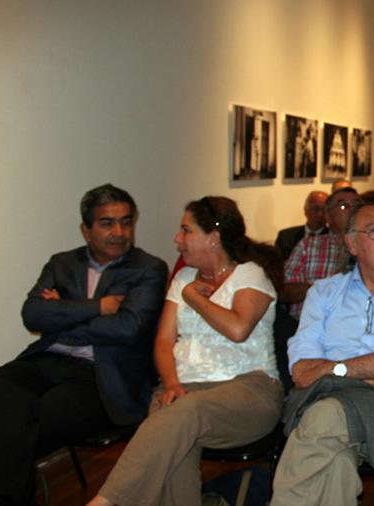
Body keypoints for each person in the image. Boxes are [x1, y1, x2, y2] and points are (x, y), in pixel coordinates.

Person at [88, 196, 284, 506]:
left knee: (184, 413)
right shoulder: (182, 279)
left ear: (213, 237)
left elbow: (238, 329)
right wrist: (172, 384)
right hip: (186, 391)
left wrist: (194, 298)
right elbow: (164, 342)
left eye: (185, 230)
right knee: (175, 426)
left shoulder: (250, 274)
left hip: (250, 389)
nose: (177, 239)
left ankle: (105, 502)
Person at [0, 185, 167, 506]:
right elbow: (33, 315)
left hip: (102, 376)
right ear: (86, 230)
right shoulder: (61, 264)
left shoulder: (148, 268)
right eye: (107, 223)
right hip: (46, 360)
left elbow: (127, 329)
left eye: (126, 222)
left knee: (33, 420)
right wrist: (98, 307)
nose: (120, 232)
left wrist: (63, 313)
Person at [271, 202, 374, 506]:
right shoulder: (323, 292)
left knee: (320, 420)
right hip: (327, 398)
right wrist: (371, 378)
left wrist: (335, 371)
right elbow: (301, 371)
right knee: (334, 462)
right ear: (350, 243)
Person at [282, 188, 360, 319]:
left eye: (357, 205)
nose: (352, 210)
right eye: (343, 206)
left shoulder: (372, 246)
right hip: (311, 326)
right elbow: (285, 292)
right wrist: (325, 287)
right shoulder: (308, 246)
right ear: (328, 216)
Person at [275, 190, 328, 260]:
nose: (320, 214)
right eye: (315, 209)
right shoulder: (285, 237)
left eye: (324, 210)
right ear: (306, 210)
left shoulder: (333, 238)